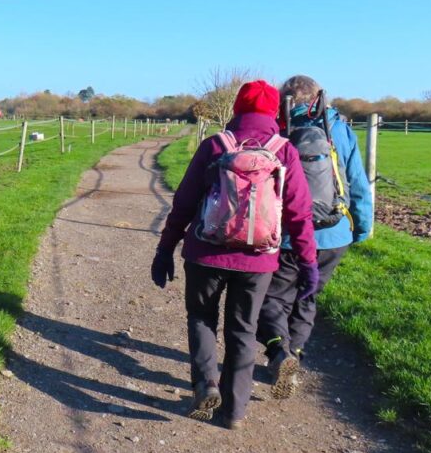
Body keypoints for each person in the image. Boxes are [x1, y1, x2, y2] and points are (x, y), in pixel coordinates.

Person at [150, 80, 318, 429]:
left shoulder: (215, 145)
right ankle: (235, 412)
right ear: (274, 112)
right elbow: (299, 213)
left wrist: (165, 248)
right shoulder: (284, 150)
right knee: (243, 329)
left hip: (205, 253)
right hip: (259, 260)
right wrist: (308, 264)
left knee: (201, 318)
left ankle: (206, 385)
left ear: (238, 108)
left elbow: (184, 203)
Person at [257, 75, 373, 396]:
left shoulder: (279, 130)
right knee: (307, 296)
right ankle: (294, 353)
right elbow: (358, 183)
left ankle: (278, 350)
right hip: (334, 234)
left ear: (285, 99)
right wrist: (361, 228)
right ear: (320, 97)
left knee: (274, 297)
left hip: (289, 236)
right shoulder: (339, 129)